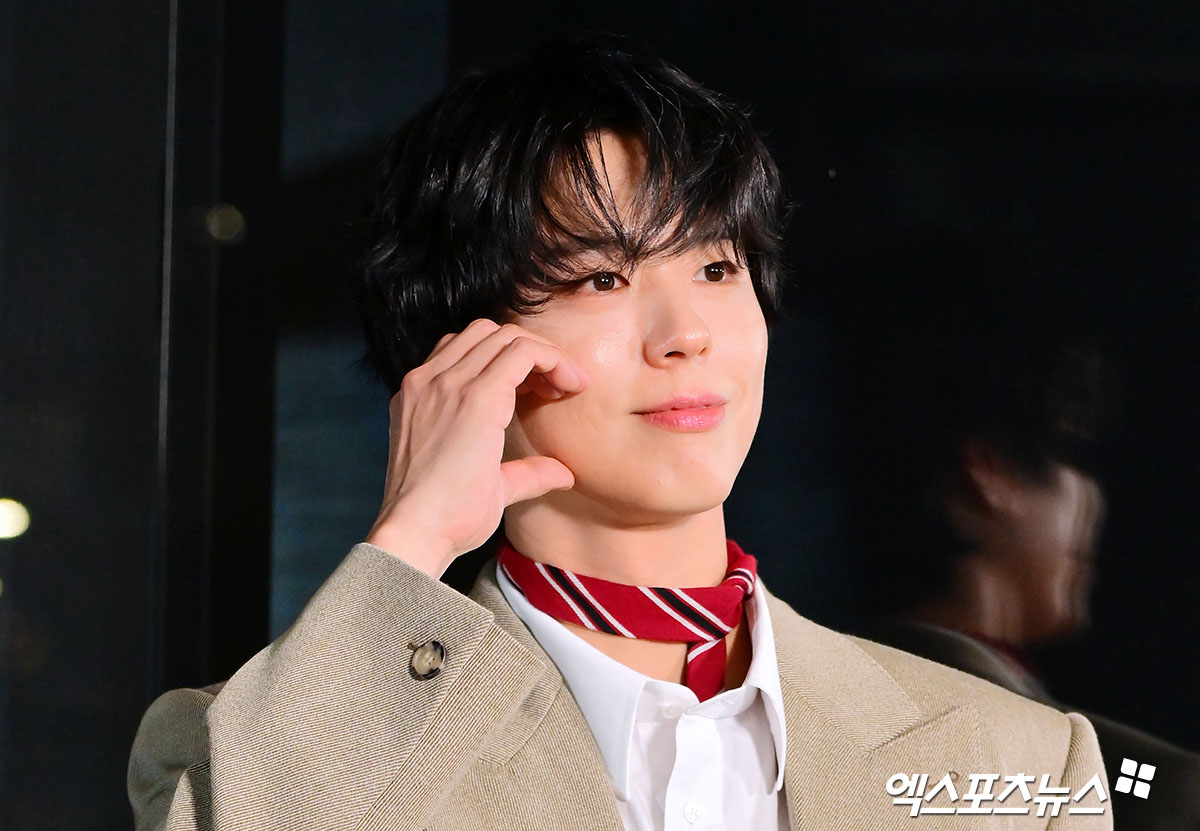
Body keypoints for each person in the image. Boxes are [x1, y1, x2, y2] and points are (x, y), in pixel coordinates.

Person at [127, 40, 1110, 830]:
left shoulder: (1016, 762)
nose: (686, 334)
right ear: (459, 350)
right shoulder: (240, 753)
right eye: (603, 277)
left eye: (717, 268)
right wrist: (413, 539)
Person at [830, 234, 1200, 830]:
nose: (1092, 500)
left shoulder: (789, 733)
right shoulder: (1150, 793)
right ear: (989, 469)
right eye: (1072, 451)